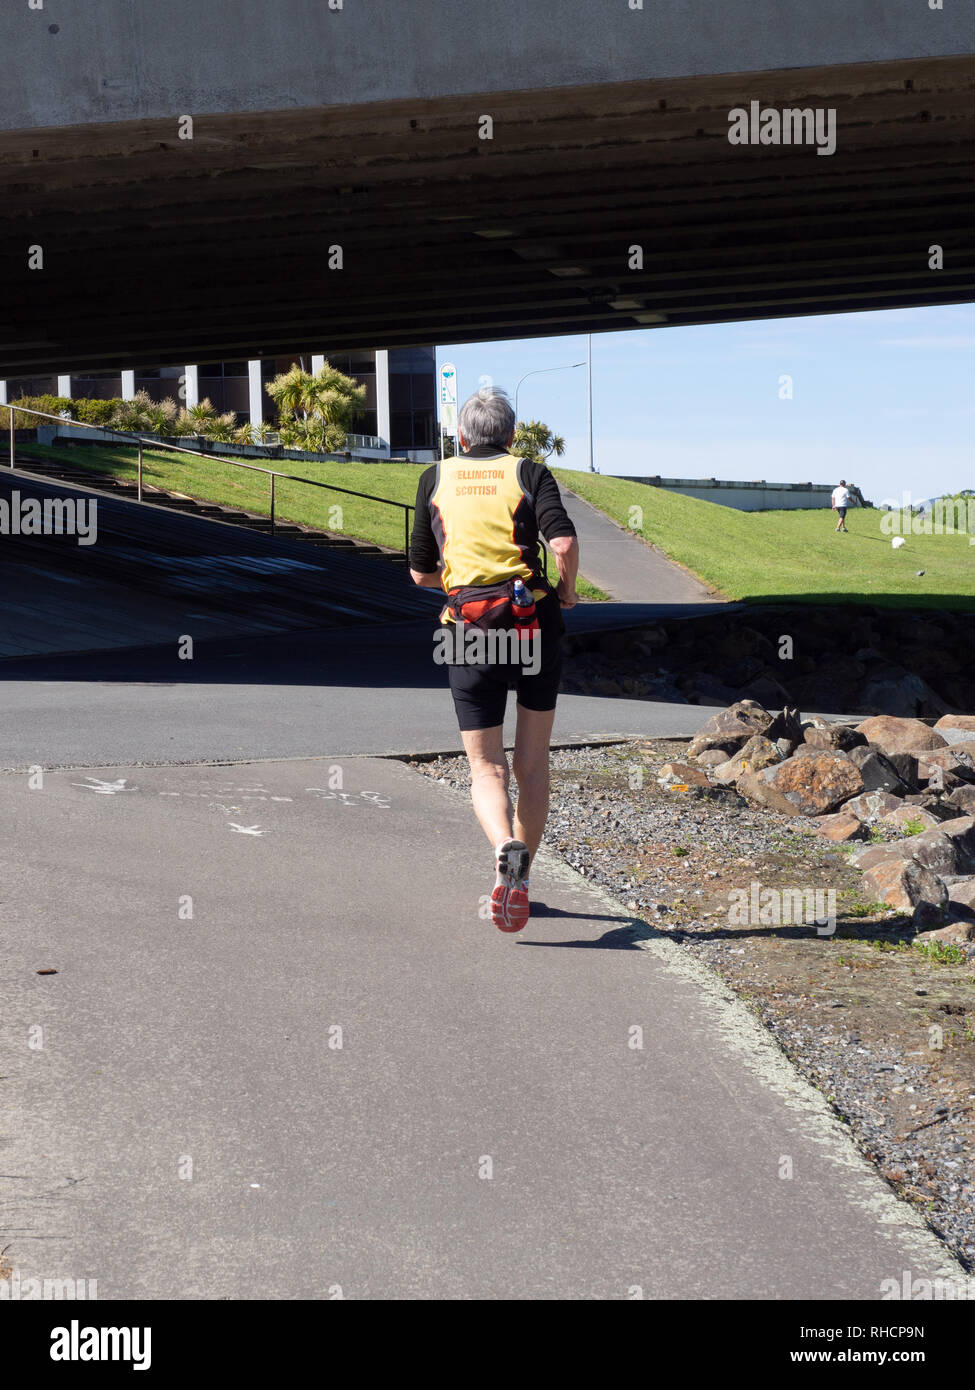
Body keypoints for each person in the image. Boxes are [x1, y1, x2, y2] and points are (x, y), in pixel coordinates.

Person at [409, 386, 580, 933]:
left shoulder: (434, 477)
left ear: (461, 438)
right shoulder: (528, 473)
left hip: (467, 631)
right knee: (531, 764)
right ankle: (523, 879)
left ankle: (505, 843)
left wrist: (460, 582)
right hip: (533, 627)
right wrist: (568, 590)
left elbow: (419, 572)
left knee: (485, 766)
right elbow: (563, 544)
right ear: (511, 435)